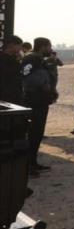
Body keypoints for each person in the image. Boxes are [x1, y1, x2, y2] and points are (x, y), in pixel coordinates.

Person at [21, 37, 56, 177]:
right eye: (49, 46)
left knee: (37, 133)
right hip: (34, 100)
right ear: (42, 46)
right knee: (33, 133)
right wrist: (43, 84)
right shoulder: (32, 58)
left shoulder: (39, 59)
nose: (50, 49)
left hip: (41, 100)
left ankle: (32, 163)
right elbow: (26, 76)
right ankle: (29, 166)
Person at [0, 35, 24, 104]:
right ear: (12, 45)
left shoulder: (14, 60)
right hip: (7, 96)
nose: (21, 48)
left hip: (13, 95)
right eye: (20, 45)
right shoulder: (6, 60)